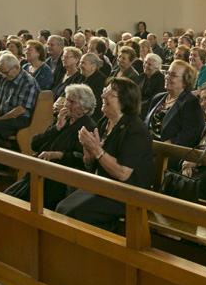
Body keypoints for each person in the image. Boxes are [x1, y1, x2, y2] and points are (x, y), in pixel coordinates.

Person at [57, 77, 153, 232]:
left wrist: (95, 150)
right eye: (104, 92)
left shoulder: (135, 130)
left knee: (73, 214)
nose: (102, 96)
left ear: (124, 100)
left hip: (127, 194)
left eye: (109, 93)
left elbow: (122, 173)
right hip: (104, 185)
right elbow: (93, 166)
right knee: (61, 207)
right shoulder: (104, 122)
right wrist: (88, 156)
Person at [4, 85, 99, 210]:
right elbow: (34, 144)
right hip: (39, 171)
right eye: (66, 100)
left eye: (72, 102)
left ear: (85, 109)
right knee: (7, 196)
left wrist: (57, 154)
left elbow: (81, 159)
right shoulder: (61, 120)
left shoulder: (87, 127)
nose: (66, 104)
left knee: (19, 203)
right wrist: (57, 128)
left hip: (59, 179)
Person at [0, 52, 41, 173]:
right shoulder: (6, 80)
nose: (4, 76)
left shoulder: (28, 82)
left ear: (16, 67)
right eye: (1, 73)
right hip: (6, 117)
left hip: (21, 119)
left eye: (6, 72)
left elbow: (21, 110)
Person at [145, 60, 205, 166]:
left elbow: (190, 135)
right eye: (167, 73)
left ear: (186, 81)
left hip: (170, 154)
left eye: (173, 75)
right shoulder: (158, 97)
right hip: (148, 147)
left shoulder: (191, 102)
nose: (167, 77)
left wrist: (164, 146)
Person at [78, 52, 105, 122]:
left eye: (83, 63)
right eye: (80, 63)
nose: (79, 66)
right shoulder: (78, 77)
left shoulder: (101, 81)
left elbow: (96, 106)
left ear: (93, 66)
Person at [137, 53, 165, 117]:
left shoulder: (160, 79)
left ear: (156, 68)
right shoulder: (141, 76)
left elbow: (155, 101)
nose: (146, 65)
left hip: (149, 110)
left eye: (149, 64)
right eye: (145, 62)